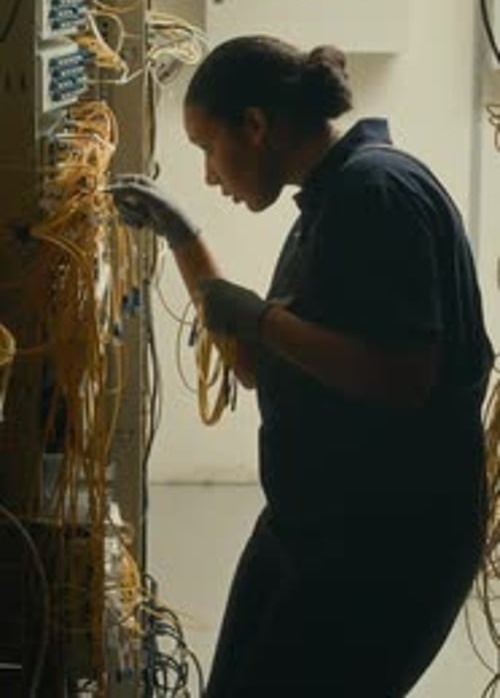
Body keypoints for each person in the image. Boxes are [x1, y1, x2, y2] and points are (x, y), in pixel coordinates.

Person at [111, 36, 494, 697]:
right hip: (317, 523)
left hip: (390, 542)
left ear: (255, 126)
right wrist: (185, 240)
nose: (209, 174)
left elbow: (404, 377)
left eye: (208, 148)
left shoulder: (378, 193)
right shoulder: (330, 196)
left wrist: (262, 318)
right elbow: (264, 365)